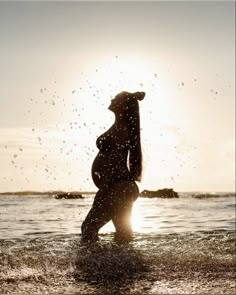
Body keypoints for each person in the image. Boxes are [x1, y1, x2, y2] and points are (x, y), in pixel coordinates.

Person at [81, 91, 145, 242]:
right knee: (123, 233)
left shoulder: (121, 129)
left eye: (116, 98)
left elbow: (114, 160)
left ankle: (94, 264)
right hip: (120, 186)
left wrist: (107, 186)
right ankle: (123, 264)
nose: (111, 98)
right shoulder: (120, 126)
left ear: (123, 106)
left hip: (116, 185)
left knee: (88, 228)